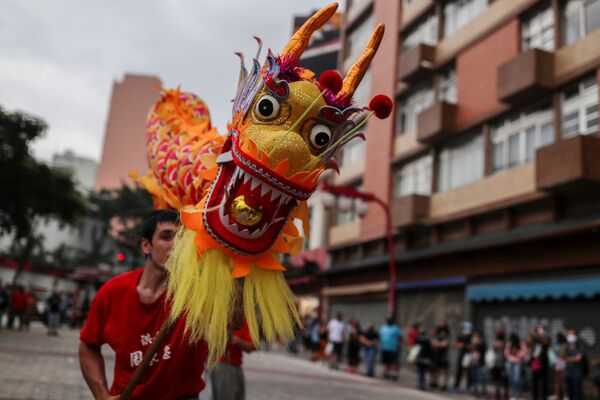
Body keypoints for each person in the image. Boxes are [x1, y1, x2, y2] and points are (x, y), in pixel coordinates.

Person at [79, 210, 210, 400]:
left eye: (182, 239)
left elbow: (234, 322)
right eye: (166, 237)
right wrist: (101, 395)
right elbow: (88, 345)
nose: (175, 245)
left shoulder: (198, 294)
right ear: (146, 245)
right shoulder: (113, 292)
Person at [211, 319, 255, 400]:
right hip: (222, 366)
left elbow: (251, 346)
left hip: (234, 366)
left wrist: (238, 341)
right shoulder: (218, 315)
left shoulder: (243, 319)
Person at [530, 325, 550, 400]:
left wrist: (538, 335)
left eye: (541, 330)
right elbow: (528, 342)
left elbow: (545, 342)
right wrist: (532, 333)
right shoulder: (534, 339)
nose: (539, 331)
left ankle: (544, 397)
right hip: (535, 361)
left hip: (543, 362)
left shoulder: (546, 338)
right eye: (538, 329)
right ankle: (535, 397)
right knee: (534, 381)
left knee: (544, 381)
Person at [505, 333, 527, 400]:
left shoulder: (520, 344)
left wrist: (517, 353)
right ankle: (513, 395)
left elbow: (524, 352)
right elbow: (506, 352)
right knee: (511, 380)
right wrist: (510, 355)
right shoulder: (509, 343)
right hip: (510, 362)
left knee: (517, 380)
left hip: (517, 362)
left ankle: (519, 395)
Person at [452, 321, 473, 392]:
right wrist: (461, 345)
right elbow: (455, 345)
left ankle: (469, 387)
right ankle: (456, 386)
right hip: (461, 355)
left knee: (468, 372)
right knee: (459, 371)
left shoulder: (471, 336)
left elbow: (471, 346)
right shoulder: (461, 335)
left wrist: (463, 345)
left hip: (468, 355)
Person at [564, 329, 584, 400]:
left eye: (571, 334)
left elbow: (578, 358)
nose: (570, 336)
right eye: (568, 334)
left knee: (577, 392)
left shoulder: (579, 345)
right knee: (570, 392)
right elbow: (562, 357)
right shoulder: (566, 346)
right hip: (568, 372)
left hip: (576, 372)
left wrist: (568, 358)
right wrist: (571, 358)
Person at [431, 321, 450, 391]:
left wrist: (438, 344)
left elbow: (445, 344)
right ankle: (435, 383)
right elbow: (433, 342)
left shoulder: (447, 334)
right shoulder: (437, 333)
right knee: (436, 369)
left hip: (444, 354)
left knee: (445, 370)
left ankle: (445, 385)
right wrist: (439, 343)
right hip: (436, 354)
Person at [490, 329, 508, 400]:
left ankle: (505, 395)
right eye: (498, 334)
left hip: (504, 364)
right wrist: (496, 344)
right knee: (497, 381)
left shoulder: (505, 342)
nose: (499, 335)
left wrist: (500, 344)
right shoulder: (495, 342)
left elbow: (504, 347)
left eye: (500, 334)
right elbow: (493, 348)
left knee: (505, 381)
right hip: (496, 363)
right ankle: (498, 395)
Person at [468, 330, 487, 397]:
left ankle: (483, 391)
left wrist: (476, 344)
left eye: (476, 335)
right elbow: (470, 349)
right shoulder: (473, 342)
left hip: (480, 362)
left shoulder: (482, 342)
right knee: (474, 377)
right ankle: (475, 391)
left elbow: (482, 349)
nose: (475, 336)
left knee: (481, 377)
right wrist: (473, 344)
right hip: (473, 362)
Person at [553, 332, 567, 400]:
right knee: (557, 380)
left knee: (562, 380)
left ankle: (565, 396)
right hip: (558, 361)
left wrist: (557, 350)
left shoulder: (564, 344)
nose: (556, 339)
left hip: (562, 361)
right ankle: (557, 395)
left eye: (557, 337)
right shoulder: (556, 344)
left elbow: (562, 354)